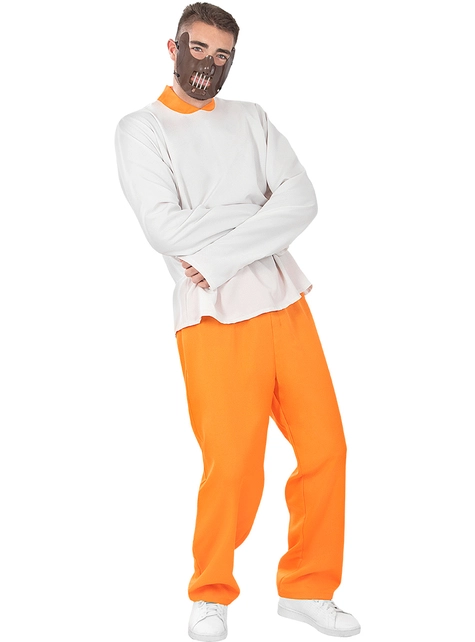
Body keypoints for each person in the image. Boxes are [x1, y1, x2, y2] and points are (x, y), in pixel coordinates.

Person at [114, 3, 361, 639]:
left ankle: (308, 588)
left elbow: (303, 200)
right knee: (232, 463)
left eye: (222, 55)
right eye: (198, 48)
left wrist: (218, 248)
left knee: (326, 449)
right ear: (173, 48)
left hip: (286, 302)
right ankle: (211, 592)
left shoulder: (252, 118)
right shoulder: (141, 129)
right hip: (211, 314)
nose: (209, 63)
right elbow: (163, 230)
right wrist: (256, 211)